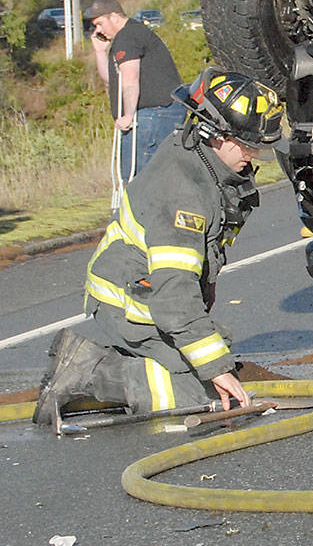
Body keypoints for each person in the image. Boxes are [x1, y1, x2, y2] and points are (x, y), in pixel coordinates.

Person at [33, 67, 285, 426]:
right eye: (248, 145)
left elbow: (200, 264)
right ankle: (88, 373)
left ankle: (142, 357)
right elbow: (174, 295)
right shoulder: (183, 194)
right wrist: (215, 370)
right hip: (129, 301)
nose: (255, 156)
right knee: (201, 395)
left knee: (213, 360)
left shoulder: (203, 163)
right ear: (216, 134)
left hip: (150, 295)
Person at [85, 0, 186, 178]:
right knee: (146, 177)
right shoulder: (127, 36)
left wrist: (128, 115)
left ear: (114, 17)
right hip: (158, 112)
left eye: (100, 24)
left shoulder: (128, 37)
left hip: (154, 113)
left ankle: (143, 207)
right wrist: (100, 52)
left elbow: (130, 81)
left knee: (138, 177)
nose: (98, 30)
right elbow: (112, 81)